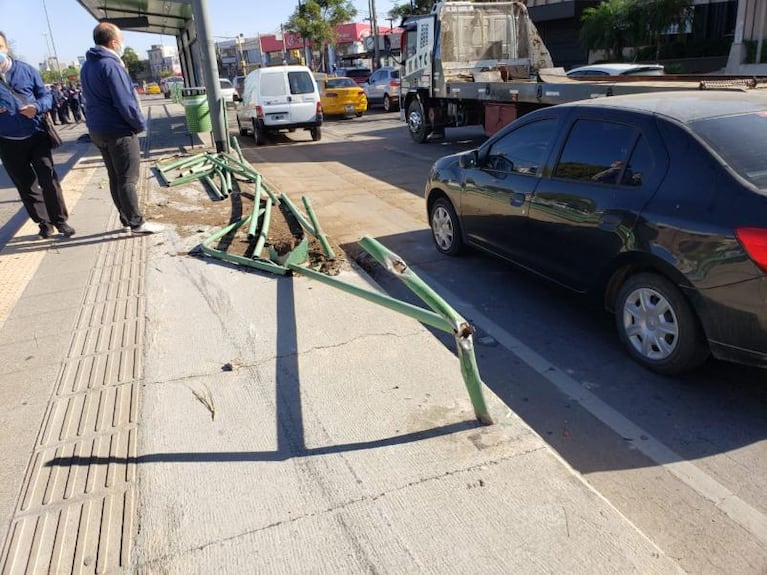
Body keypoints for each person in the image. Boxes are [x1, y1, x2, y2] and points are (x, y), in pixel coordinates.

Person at [80, 22, 161, 234]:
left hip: (98, 130)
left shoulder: (88, 65)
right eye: (121, 41)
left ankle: (126, 219)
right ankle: (137, 223)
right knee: (127, 179)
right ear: (113, 42)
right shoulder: (111, 65)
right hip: (118, 130)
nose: (122, 45)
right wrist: (139, 124)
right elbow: (125, 101)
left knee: (115, 177)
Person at [0, 31, 75, 238]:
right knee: (26, 185)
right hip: (7, 141)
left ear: (6, 48)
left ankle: (60, 221)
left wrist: (37, 107)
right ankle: (44, 223)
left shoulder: (27, 71)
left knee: (49, 179)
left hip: (36, 133)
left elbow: (47, 97)